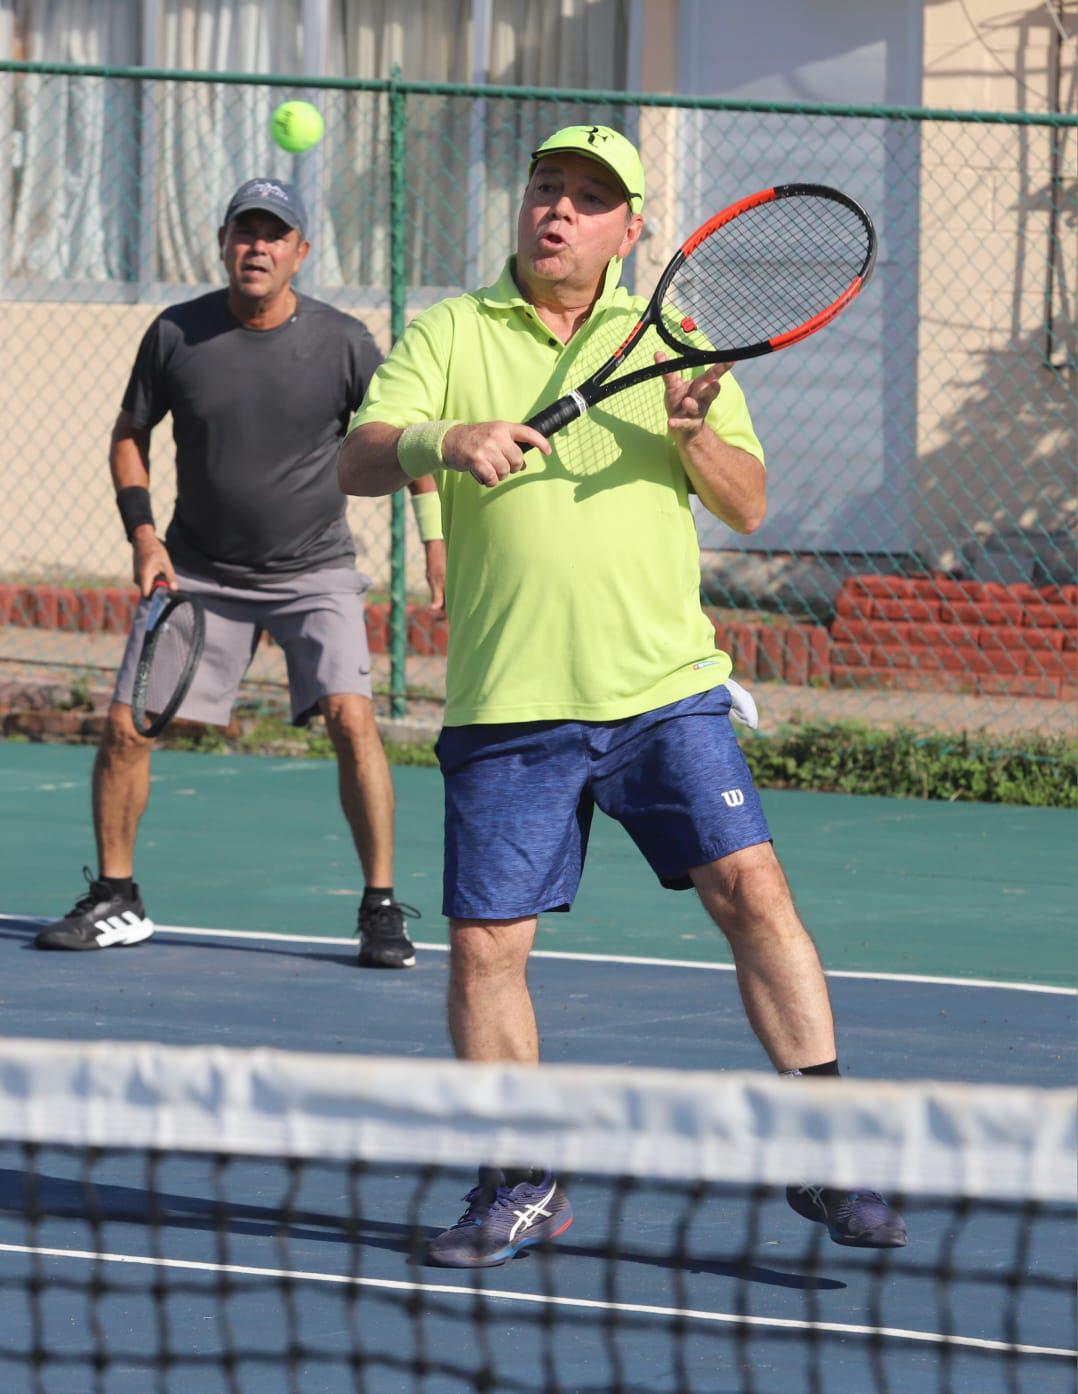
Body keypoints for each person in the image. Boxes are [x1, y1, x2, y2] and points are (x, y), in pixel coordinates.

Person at [338, 127, 907, 1260]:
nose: (557, 209)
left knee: (754, 892)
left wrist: (695, 438)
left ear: (630, 231)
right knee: (486, 948)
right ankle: (521, 1180)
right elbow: (357, 453)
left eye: (588, 198)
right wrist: (449, 439)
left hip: (664, 691)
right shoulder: (451, 331)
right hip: (508, 704)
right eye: (545, 185)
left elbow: (746, 504)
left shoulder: (682, 341)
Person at [35, 178, 443, 969]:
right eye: (244, 233)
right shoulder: (174, 335)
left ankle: (381, 909)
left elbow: (406, 438)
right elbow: (129, 437)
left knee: (353, 719)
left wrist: (433, 538)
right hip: (196, 570)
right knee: (127, 726)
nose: (257, 247)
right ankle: (117, 897)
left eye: (274, 235)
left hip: (314, 569)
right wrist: (143, 538)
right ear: (224, 244)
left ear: (300, 253)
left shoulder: (345, 342)